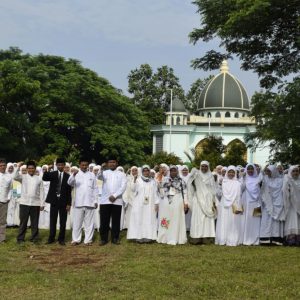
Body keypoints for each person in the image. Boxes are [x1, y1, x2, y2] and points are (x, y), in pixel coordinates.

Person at [68, 158, 98, 245]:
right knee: (77, 222)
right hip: (78, 202)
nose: (84, 166)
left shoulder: (92, 175)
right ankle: (76, 240)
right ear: (79, 165)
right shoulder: (76, 174)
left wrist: (95, 200)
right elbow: (69, 183)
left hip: (90, 202)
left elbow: (95, 188)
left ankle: (88, 240)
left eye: (86, 165)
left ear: (88, 165)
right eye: (82, 165)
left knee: (89, 223)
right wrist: (73, 175)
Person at [98, 157, 127, 245]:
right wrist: (101, 171)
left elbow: (123, 186)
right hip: (105, 200)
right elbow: (99, 183)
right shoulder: (104, 173)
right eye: (110, 162)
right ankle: (103, 239)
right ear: (107, 164)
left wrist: (115, 195)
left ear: (116, 163)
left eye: (113, 162)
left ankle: (115, 238)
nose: (112, 164)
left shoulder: (122, 174)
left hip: (117, 200)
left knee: (116, 220)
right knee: (104, 221)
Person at [43, 158, 72, 245]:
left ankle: (61, 239)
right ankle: (51, 238)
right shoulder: (53, 174)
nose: (60, 166)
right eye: (58, 165)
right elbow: (44, 178)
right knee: (53, 220)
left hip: (63, 201)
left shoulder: (68, 176)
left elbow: (68, 191)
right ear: (56, 165)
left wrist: (69, 203)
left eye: (62, 165)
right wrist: (48, 169)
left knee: (63, 221)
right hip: (54, 201)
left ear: (64, 166)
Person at [127, 165, 160, 243]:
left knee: (149, 219)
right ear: (142, 171)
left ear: (149, 171)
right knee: (139, 219)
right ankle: (139, 237)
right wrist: (134, 180)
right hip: (139, 204)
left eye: (147, 170)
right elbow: (133, 189)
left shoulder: (153, 181)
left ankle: (149, 237)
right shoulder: (138, 180)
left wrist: (157, 203)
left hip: (150, 204)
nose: (146, 172)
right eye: (144, 170)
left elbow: (155, 193)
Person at [14, 161, 45, 244]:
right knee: (23, 222)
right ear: (27, 169)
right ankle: (20, 239)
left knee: (35, 222)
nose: (31, 170)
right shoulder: (23, 177)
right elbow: (15, 176)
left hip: (35, 203)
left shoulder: (39, 178)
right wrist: (18, 167)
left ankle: (34, 238)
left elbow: (42, 191)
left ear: (35, 169)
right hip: (24, 203)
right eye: (29, 168)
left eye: (32, 168)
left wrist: (42, 203)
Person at [187, 161, 217, 244]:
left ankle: (206, 238)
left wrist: (213, 200)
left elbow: (214, 189)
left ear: (208, 167)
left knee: (207, 220)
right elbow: (189, 184)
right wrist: (191, 175)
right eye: (202, 166)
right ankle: (196, 238)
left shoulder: (211, 176)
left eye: (206, 166)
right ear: (200, 166)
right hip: (198, 200)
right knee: (198, 218)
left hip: (208, 200)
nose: (204, 168)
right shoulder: (196, 175)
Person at [157, 165, 188, 245]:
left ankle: (175, 237)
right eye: (172, 170)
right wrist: (160, 178)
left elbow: (185, 192)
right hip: (167, 201)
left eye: (175, 170)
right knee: (166, 218)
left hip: (178, 201)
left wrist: (185, 203)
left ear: (177, 171)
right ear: (170, 171)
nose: (173, 172)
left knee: (176, 219)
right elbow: (160, 190)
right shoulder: (165, 180)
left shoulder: (181, 180)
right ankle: (165, 237)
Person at [215, 166, 243, 246]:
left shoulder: (237, 183)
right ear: (227, 173)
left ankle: (232, 239)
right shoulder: (223, 182)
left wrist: (238, 205)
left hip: (234, 205)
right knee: (224, 220)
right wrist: (219, 185)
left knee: (233, 221)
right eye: (229, 172)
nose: (231, 173)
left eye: (233, 172)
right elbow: (218, 194)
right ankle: (223, 239)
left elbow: (239, 195)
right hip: (224, 204)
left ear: (235, 173)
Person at [260, 165, 284, 245]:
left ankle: (275, 239)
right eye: (267, 171)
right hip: (267, 203)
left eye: (269, 171)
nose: (268, 173)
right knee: (266, 220)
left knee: (275, 222)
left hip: (277, 202)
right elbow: (263, 189)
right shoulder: (265, 179)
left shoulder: (280, 180)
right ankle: (265, 239)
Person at [241, 163, 262, 246]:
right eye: (248, 169)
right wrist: (242, 179)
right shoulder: (245, 179)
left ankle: (255, 239)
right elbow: (241, 189)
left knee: (256, 220)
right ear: (246, 170)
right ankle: (246, 238)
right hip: (247, 202)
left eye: (251, 169)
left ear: (254, 170)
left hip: (256, 203)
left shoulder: (258, 179)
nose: (250, 171)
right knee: (247, 219)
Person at [283, 165, 300, 246]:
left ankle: (298, 240)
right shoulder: (288, 181)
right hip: (291, 205)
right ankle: (291, 240)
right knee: (292, 221)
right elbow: (284, 192)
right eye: (294, 171)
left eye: (297, 171)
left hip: (299, 205)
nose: (295, 173)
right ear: (290, 172)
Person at [0, 159, 14, 243]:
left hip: (4, 201)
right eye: (0, 165)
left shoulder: (9, 176)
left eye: (3, 165)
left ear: (6, 166)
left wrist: (8, 198)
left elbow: (11, 189)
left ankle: (2, 239)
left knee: (2, 221)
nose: (2, 167)